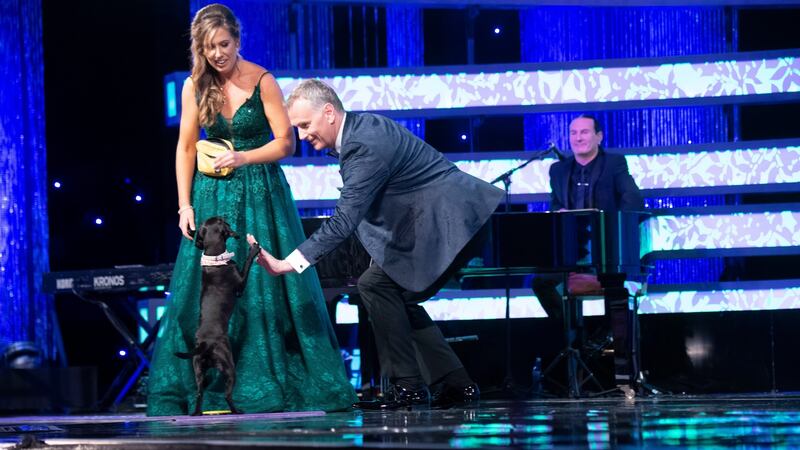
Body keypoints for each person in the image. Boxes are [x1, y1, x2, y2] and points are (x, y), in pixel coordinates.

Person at [147, 4, 356, 416]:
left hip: (260, 193)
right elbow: (186, 146)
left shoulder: (262, 80)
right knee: (207, 293)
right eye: (210, 48)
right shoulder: (195, 86)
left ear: (237, 41)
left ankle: (269, 379)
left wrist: (242, 158)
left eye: (224, 44)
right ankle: (209, 386)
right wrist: (184, 204)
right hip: (212, 197)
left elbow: (285, 143)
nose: (219, 54)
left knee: (264, 286)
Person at [247, 79, 505, 409]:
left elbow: (345, 220)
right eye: (297, 128)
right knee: (395, 296)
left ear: (328, 112)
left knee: (376, 285)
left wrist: (288, 263)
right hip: (454, 220)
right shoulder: (361, 128)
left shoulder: (362, 146)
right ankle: (455, 384)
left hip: (454, 223)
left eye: (305, 125)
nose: (302, 136)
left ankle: (408, 387)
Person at [533, 114, 644, 323]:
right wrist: (560, 214)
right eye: (573, 133)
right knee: (540, 282)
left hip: (607, 251)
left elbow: (634, 200)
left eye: (584, 132)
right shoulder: (558, 170)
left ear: (598, 136)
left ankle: (611, 340)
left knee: (615, 284)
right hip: (572, 252)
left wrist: (615, 229)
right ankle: (572, 336)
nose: (578, 138)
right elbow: (555, 205)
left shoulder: (614, 163)